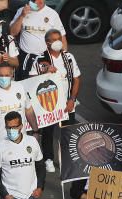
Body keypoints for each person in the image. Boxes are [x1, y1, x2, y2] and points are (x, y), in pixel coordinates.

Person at [29, 29, 78, 165]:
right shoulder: (40, 59)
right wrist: (44, 71)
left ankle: (68, 160)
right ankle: (48, 158)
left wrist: (72, 100)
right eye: (55, 39)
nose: (58, 42)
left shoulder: (68, 57)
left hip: (67, 103)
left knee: (68, 133)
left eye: (59, 39)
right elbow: (31, 79)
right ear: (47, 43)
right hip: (49, 103)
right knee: (48, 132)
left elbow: (76, 79)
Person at [0, 64, 36, 159]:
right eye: (0, 75)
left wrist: (36, 131)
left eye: (6, 75)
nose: (3, 78)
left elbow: (29, 110)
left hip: (20, 143)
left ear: (12, 75)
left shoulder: (20, 88)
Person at [8, 0, 64, 78]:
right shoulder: (21, 11)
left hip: (45, 58)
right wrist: (22, 16)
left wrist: (62, 59)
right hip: (25, 57)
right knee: (25, 84)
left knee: (44, 85)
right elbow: (12, 32)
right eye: (34, 0)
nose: (37, 2)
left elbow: (62, 38)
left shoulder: (52, 14)